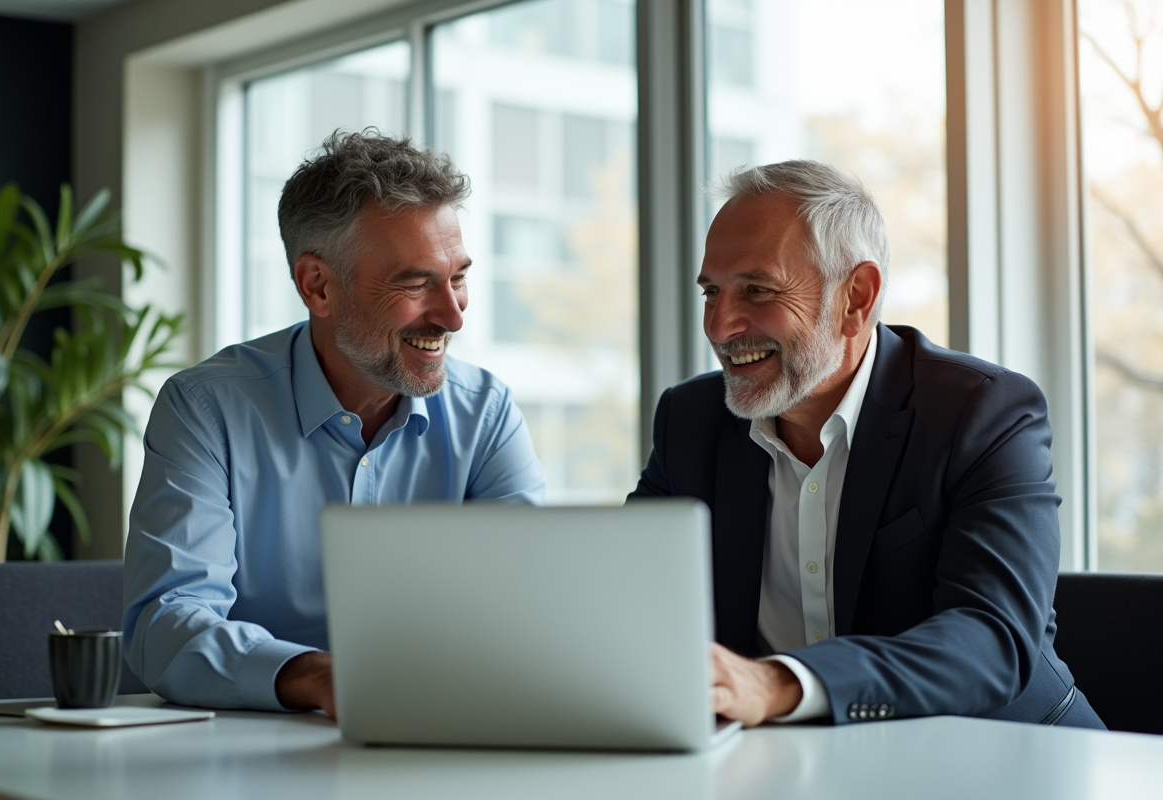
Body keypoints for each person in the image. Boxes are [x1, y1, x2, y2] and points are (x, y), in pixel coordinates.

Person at [630, 160, 1104, 729]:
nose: (720, 325)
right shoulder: (689, 420)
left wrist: (780, 684)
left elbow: (991, 639)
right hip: (784, 761)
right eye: (712, 292)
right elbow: (623, 597)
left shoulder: (982, 412)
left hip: (1008, 752)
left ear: (855, 297)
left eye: (758, 290)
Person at [123, 130, 545, 718]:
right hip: (249, 748)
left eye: (458, 278)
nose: (452, 316)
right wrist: (321, 679)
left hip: (443, 733)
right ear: (317, 285)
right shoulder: (206, 409)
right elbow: (166, 625)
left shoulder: (486, 413)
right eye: (416, 283)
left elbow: (531, 611)